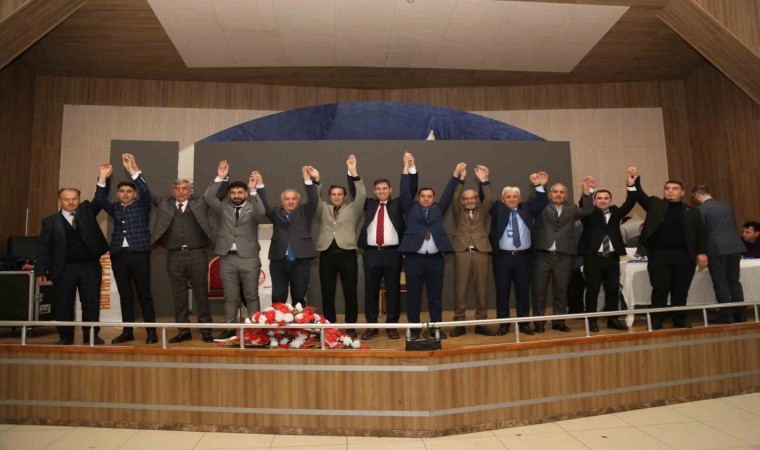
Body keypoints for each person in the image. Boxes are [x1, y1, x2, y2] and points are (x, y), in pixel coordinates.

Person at [632, 167, 707, 329]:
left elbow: (701, 234)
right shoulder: (655, 205)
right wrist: (634, 181)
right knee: (660, 289)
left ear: (682, 192)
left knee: (680, 290)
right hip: (659, 255)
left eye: (674, 189)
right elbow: (639, 195)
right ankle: (656, 321)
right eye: (667, 188)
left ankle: (679, 320)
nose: (670, 191)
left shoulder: (692, 211)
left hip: (684, 256)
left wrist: (702, 253)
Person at [94, 154, 157, 344]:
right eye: (122, 191)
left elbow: (145, 192)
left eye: (129, 191)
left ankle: (151, 332)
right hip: (119, 256)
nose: (125, 194)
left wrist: (133, 171)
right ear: (117, 194)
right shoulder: (115, 208)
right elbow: (100, 199)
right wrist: (102, 176)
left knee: (144, 294)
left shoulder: (142, 206)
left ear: (134, 194)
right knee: (125, 295)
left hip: (139, 254)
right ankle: (127, 331)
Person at [35, 184, 109, 345]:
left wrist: (103, 178)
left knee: (91, 302)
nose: (70, 202)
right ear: (60, 200)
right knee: (64, 303)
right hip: (64, 268)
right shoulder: (50, 222)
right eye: (66, 199)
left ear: (79, 199)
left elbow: (99, 198)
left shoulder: (87, 213)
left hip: (90, 266)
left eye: (74, 199)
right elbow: (43, 248)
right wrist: (40, 271)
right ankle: (65, 336)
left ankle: (91, 335)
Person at [351, 167, 417, 341]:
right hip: (371, 254)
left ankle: (391, 327)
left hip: (392, 253)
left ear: (390, 190)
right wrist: (353, 173)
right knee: (370, 291)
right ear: (374, 191)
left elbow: (410, 189)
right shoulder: (369, 204)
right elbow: (355, 191)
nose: (381, 191)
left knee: (393, 291)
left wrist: (408, 169)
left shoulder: (398, 204)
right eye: (378, 189)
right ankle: (372, 327)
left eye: (384, 188)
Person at [399, 153, 459, 338]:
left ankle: (435, 328)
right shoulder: (410, 208)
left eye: (429, 196)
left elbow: (448, 193)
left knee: (435, 296)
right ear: (418, 198)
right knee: (413, 297)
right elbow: (404, 191)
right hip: (413, 259)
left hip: (435, 260)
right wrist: (405, 168)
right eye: (423, 196)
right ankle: (415, 329)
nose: (426, 199)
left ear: (434, 198)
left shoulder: (439, 209)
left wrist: (456, 174)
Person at [204, 161, 266, 338]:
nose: (236, 195)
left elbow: (261, 213)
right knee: (230, 296)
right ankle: (229, 327)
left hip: (249, 258)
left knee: (251, 295)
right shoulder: (223, 207)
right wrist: (220, 177)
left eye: (240, 192)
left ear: (245, 193)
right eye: (233, 193)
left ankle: (255, 329)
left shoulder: (252, 206)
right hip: (227, 258)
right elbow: (209, 198)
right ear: (229, 194)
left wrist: (253, 190)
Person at [152, 177, 215, 343]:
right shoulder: (165, 204)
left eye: (184, 189)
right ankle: (183, 330)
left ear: (190, 191)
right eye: (177, 189)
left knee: (201, 294)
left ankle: (206, 330)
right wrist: (134, 172)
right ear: (172, 191)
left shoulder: (200, 203)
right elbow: (146, 194)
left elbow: (219, 192)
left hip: (197, 253)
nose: (181, 192)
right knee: (178, 295)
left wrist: (222, 177)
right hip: (174, 255)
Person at [532, 177, 594, 333]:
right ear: (549, 194)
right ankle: (539, 322)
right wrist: (539, 186)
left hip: (564, 256)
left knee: (561, 290)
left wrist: (586, 192)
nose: (558, 194)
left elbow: (588, 210)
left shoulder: (572, 209)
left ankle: (559, 321)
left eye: (561, 192)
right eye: (555, 191)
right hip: (542, 255)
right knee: (539, 291)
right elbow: (532, 201)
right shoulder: (541, 207)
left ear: (566, 196)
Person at [577, 172, 637, 332]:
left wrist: (631, 185)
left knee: (612, 290)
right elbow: (583, 203)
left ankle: (613, 320)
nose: (603, 201)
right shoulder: (588, 213)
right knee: (592, 290)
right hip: (593, 258)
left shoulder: (616, 213)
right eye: (599, 198)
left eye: (606, 198)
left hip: (612, 259)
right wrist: (589, 190)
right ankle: (591, 321)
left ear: (610, 200)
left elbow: (630, 202)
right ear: (594, 200)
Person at [314, 155, 366, 338]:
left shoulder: (353, 209)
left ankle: (351, 326)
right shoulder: (323, 208)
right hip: (327, 255)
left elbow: (362, 195)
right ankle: (330, 326)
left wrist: (354, 172)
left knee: (350, 292)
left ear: (344, 197)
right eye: (333, 194)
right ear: (329, 196)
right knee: (327, 292)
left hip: (347, 255)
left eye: (340, 194)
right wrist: (316, 182)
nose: (336, 197)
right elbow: (314, 198)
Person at [490, 172, 549, 335]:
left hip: (523, 258)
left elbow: (542, 203)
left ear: (519, 198)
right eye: (508, 197)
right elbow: (485, 200)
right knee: (502, 292)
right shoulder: (498, 209)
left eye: (515, 196)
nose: (512, 199)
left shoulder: (526, 208)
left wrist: (539, 186)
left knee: (523, 292)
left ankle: (524, 324)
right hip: (503, 258)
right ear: (503, 199)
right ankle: (504, 324)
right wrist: (484, 182)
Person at [256, 167, 318, 307]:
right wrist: (260, 186)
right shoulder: (275, 212)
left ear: (298, 201)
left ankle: (299, 321)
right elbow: (263, 206)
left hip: (300, 260)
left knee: (299, 296)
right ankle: (278, 321)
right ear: (282, 201)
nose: (290, 201)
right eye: (287, 199)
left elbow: (314, 199)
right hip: (279, 260)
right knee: (278, 297)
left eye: (293, 199)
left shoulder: (305, 211)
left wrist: (308, 181)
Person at [450, 163, 495, 337]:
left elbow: (489, 199)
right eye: (466, 199)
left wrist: (484, 181)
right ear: (463, 201)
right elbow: (455, 197)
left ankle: (481, 323)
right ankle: (459, 323)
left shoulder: (482, 212)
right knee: (460, 289)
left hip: (481, 252)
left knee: (482, 288)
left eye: (472, 198)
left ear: (477, 200)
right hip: (462, 253)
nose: (469, 201)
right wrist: (461, 180)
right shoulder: (458, 211)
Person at [692, 185, 746, 324]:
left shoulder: (701, 210)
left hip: (716, 248)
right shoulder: (726, 206)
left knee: (720, 282)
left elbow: (701, 232)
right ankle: (740, 314)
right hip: (734, 246)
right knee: (734, 281)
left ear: (697, 195)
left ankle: (727, 315)